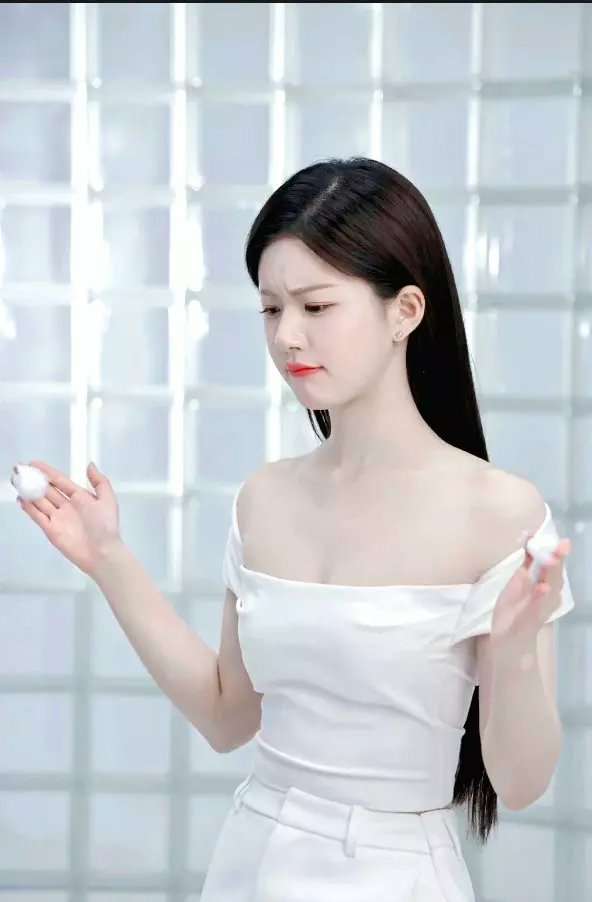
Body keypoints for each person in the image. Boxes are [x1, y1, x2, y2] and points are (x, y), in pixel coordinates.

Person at [16, 157, 575, 901]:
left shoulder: (499, 512)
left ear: (406, 311)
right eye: (271, 309)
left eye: (316, 306)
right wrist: (108, 558)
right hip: (251, 859)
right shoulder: (266, 499)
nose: (287, 337)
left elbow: (522, 782)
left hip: (397, 874)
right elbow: (226, 716)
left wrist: (515, 652)